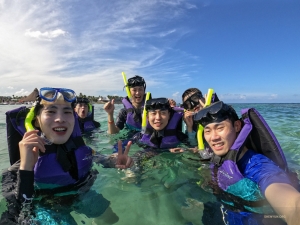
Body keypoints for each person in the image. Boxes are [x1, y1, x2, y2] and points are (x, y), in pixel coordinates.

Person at [1, 87, 133, 224]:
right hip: (49, 206)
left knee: (110, 218)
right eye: (51, 111)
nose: (60, 119)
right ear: (36, 120)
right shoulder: (22, 164)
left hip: (81, 195)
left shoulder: (79, 147)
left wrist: (113, 161)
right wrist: (25, 169)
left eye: (67, 112)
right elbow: (17, 212)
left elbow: (97, 158)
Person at [194, 101, 300, 225]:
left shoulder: (258, 166)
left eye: (220, 128)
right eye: (208, 131)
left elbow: (292, 206)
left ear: (237, 126)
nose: (213, 137)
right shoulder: (218, 156)